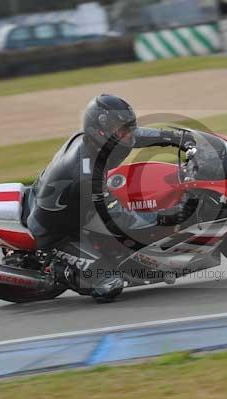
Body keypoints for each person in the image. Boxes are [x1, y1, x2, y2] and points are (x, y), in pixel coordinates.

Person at [26, 94, 197, 302]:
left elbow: (137, 136)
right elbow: (120, 219)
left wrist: (176, 137)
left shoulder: (100, 143)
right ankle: (61, 271)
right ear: (101, 132)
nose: (129, 135)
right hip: (58, 230)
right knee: (109, 286)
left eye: (129, 128)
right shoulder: (88, 174)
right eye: (122, 130)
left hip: (75, 203)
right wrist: (169, 217)